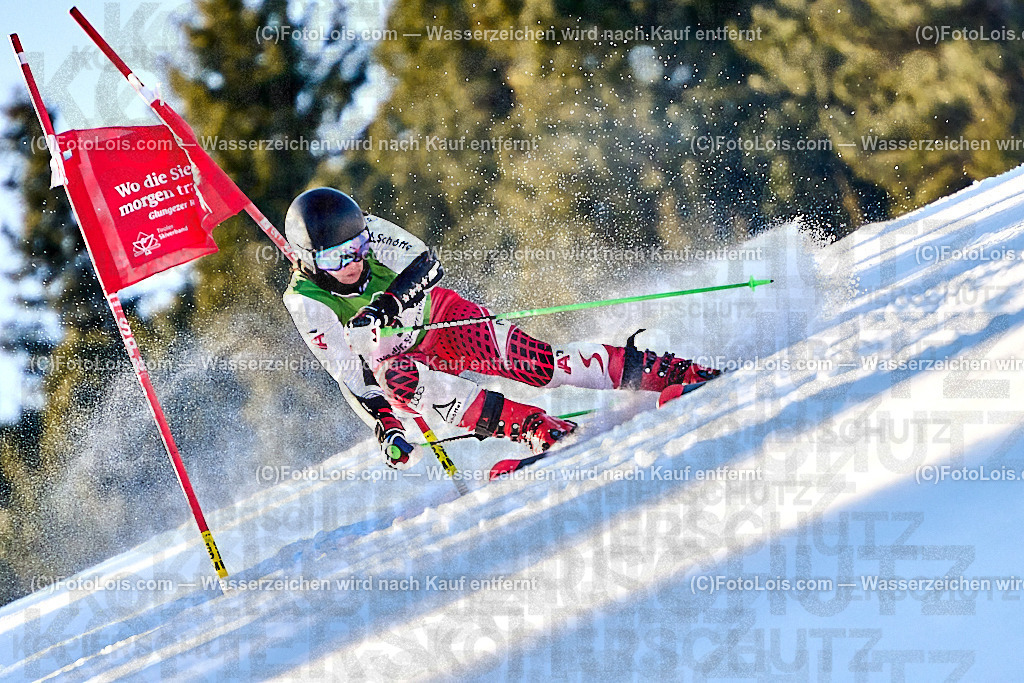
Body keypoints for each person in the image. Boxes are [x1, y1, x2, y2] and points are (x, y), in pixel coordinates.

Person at [282, 188, 721, 470]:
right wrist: (386, 428)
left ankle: (666, 373)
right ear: (307, 259)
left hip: (442, 318)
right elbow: (353, 378)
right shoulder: (307, 303)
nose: (353, 263)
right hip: (405, 360)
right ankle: (536, 428)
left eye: (357, 249)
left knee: (539, 366)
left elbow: (428, 265)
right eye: (335, 259)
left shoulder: (366, 225)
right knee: (397, 377)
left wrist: (389, 303)